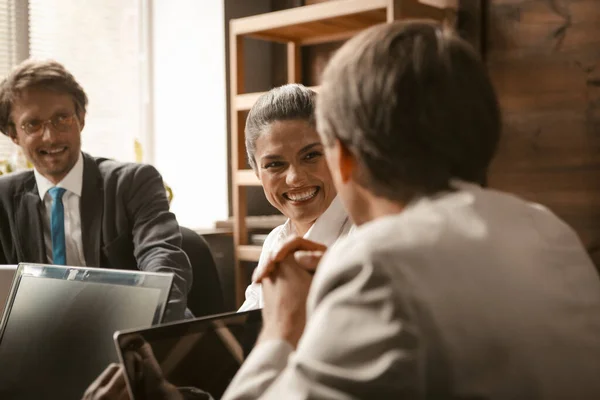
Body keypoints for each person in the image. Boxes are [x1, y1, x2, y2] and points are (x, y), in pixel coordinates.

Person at [83, 20, 600, 399]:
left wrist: (283, 328)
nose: (296, 177)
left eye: (316, 153)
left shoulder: (377, 263)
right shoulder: (548, 229)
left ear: (343, 155)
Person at [0, 59, 192, 321]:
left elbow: (163, 259)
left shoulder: (133, 182)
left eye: (62, 118)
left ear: (81, 118)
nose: (50, 137)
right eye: (32, 124)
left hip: (128, 325)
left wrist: (147, 323)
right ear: (13, 134)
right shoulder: (3, 199)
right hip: (40, 337)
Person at [238, 83, 353, 312]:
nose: (295, 178)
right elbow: (247, 327)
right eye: (274, 164)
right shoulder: (275, 241)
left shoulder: (363, 237)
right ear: (257, 173)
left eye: (311, 155)